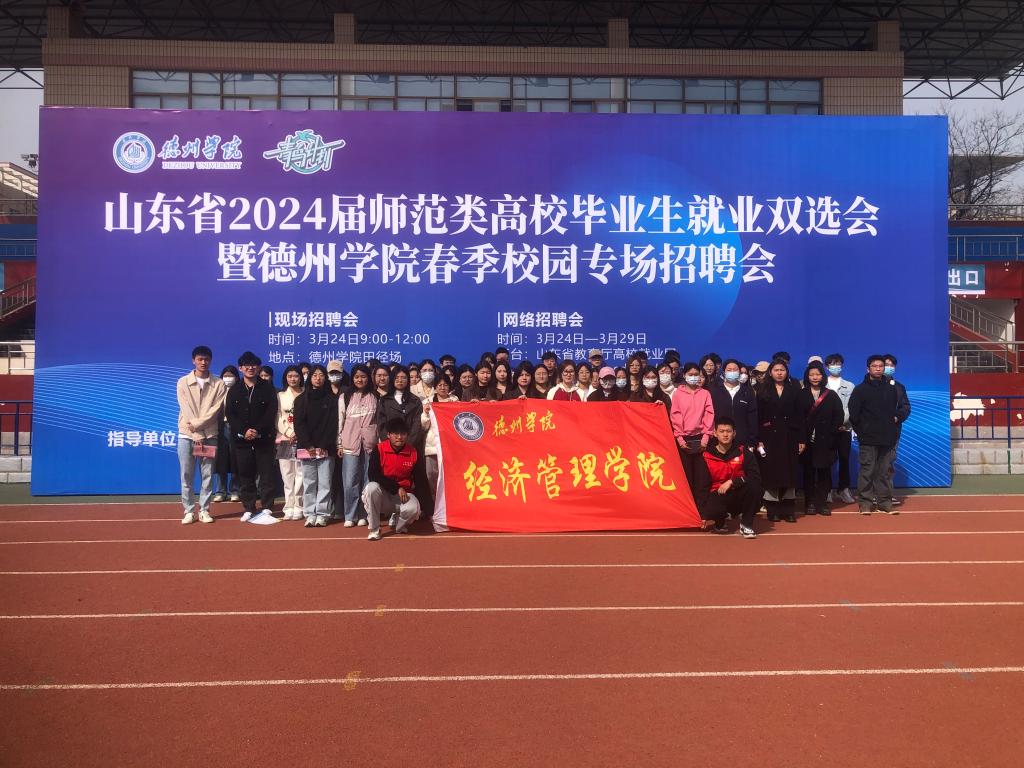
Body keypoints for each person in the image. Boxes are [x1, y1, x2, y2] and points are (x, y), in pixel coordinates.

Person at [225, 351, 278, 522]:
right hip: (242, 440)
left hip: (264, 439)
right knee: (245, 474)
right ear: (240, 368)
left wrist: (257, 430)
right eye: (246, 365)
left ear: (258, 367)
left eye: (254, 364)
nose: (250, 368)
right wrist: (244, 431)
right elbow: (230, 414)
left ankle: (267, 506)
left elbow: (271, 411)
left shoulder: (267, 388)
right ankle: (249, 507)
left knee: (266, 474)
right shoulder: (234, 390)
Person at [176, 345, 227, 524]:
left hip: (210, 435)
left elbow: (214, 411)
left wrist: (198, 428)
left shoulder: (218, 383)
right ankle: (189, 510)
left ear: (210, 361)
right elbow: (186, 408)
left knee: (207, 475)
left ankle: (204, 509)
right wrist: (196, 432)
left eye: (206, 359)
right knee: (186, 475)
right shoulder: (183, 382)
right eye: (200, 359)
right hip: (186, 435)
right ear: (193, 361)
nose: (203, 362)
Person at [692, 417, 762, 539]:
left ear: (734, 433)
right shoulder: (706, 456)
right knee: (712, 510)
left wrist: (732, 482)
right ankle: (720, 521)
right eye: (722, 431)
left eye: (729, 431)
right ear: (715, 433)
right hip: (718, 495)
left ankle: (746, 524)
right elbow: (702, 487)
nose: (725, 435)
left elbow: (755, 477)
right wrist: (702, 514)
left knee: (755, 488)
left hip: (738, 492)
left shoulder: (744, 452)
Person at [848, 355, 900, 515]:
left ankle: (884, 503)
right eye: (874, 366)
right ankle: (865, 503)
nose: (878, 369)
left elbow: (894, 412)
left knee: (884, 472)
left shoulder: (891, 389)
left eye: (881, 366)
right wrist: (862, 432)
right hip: (868, 438)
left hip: (887, 438)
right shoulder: (860, 390)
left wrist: (891, 430)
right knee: (867, 471)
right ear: (868, 369)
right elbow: (854, 415)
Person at [756, 360, 804, 523]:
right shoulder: (763, 391)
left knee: (789, 472)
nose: (779, 373)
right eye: (776, 370)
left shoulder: (794, 390)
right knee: (772, 473)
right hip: (769, 437)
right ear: (770, 372)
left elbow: (800, 416)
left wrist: (801, 439)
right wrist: (759, 439)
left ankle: (788, 509)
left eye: (782, 370)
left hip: (790, 436)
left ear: (787, 372)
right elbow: (758, 417)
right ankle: (773, 509)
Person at [293, 364, 338, 527]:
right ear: (310, 378)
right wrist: (308, 445)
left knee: (325, 483)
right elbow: (299, 424)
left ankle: (323, 514)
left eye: (321, 375)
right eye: (314, 375)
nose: (318, 378)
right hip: (307, 449)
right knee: (309, 482)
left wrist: (323, 444)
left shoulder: (332, 399)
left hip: (326, 448)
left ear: (325, 378)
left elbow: (333, 424)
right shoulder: (301, 400)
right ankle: (310, 514)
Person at [797, 362, 844, 516]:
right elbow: (796, 417)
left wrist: (832, 434)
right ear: (807, 377)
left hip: (826, 441)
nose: (815, 377)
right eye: (812, 375)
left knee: (825, 473)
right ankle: (809, 502)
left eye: (817, 374)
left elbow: (839, 416)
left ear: (822, 376)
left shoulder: (831, 395)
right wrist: (801, 438)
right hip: (807, 441)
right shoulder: (801, 394)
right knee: (808, 473)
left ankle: (822, 502)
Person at [363, 417, 421, 540]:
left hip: (403, 497)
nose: (399, 437)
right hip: (383, 496)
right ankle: (374, 529)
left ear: (407, 435)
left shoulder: (413, 452)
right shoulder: (379, 449)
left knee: (414, 508)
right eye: (396, 434)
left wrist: (430, 511)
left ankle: (399, 525)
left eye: (403, 434)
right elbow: (373, 475)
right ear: (388, 435)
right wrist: (397, 487)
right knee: (371, 488)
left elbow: (422, 481)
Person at [337, 363, 377, 527]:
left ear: (368, 378)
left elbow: (378, 421)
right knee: (350, 481)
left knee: (367, 480)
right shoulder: (345, 396)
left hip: (370, 444)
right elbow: (340, 421)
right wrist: (339, 443)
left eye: (363, 376)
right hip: (349, 443)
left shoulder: (375, 396)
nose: (360, 380)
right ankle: (350, 515)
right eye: (357, 377)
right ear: (352, 378)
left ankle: (364, 513)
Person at [669, 362, 715, 487]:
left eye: (696, 374)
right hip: (684, 440)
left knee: (702, 477)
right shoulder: (678, 393)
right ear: (684, 375)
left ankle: (701, 499)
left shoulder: (705, 393)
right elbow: (675, 416)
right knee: (686, 477)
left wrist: (706, 438)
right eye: (690, 374)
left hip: (701, 439)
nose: (693, 377)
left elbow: (709, 415)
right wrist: (680, 439)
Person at [824, 353, 857, 504]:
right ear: (827, 366)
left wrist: (842, 422)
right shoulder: (822, 385)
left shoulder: (850, 386)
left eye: (838, 363)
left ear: (842, 365)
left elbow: (851, 407)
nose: (835, 366)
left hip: (844, 429)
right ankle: (827, 490)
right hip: (827, 431)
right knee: (827, 461)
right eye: (832, 364)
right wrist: (831, 425)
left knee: (844, 459)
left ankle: (844, 489)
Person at [422, 373, 459, 499]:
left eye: (445, 385)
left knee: (449, 476)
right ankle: (435, 503)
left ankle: (449, 502)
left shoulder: (455, 401)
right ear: (435, 387)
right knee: (431, 475)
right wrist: (426, 414)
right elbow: (423, 426)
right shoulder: (427, 402)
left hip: (450, 445)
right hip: (432, 445)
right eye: (439, 385)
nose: (443, 388)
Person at [275, 365, 305, 521]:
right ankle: (288, 506)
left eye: (296, 376)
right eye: (290, 376)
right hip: (285, 439)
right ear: (285, 378)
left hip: (302, 439)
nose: (293, 379)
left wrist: (299, 433)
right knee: (287, 474)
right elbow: (278, 417)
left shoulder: (306, 393)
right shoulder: (280, 395)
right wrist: (289, 432)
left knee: (301, 473)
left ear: (301, 377)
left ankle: (299, 506)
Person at [882, 353, 912, 507]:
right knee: (873, 463)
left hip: (893, 431)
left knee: (889, 462)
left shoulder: (899, 387)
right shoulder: (871, 385)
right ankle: (872, 494)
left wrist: (897, 417)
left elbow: (905, 408)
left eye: (891, 365)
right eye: (886, 364)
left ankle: (887, 494)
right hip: (874, 432)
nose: (889, 367)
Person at [708, 358, 758, 449]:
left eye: (735, 370)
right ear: (724, 372)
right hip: (719, 440)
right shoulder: (714, 391)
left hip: (742, 440)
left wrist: (752, 441)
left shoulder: (747, 391)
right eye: (729, 370)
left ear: (739, 372)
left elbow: (752, 417)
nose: (732, 372)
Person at [376, 365, 424, 446]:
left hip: (411, 446)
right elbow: (381, 425)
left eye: (403, 378)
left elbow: (417, 425)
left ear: (408, 380)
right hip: (389, 447)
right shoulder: (384, 400)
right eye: (397, 377)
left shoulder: (415, 400)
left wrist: (408, 444)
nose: (400, 380)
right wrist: (391, 444)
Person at [212, 365, 240, 503]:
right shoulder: (217, 391)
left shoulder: (240, 391)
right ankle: (220, 491)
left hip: (235, 428)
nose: (228, 378)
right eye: (226, 376)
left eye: (231, 376)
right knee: (221, 460)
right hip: (220, 428)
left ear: (236, 377)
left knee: (235, 459)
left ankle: (235, 490)